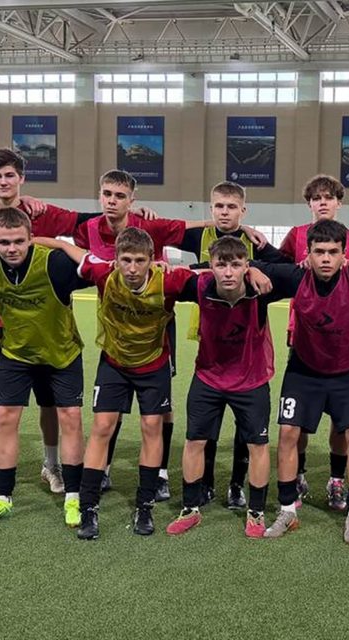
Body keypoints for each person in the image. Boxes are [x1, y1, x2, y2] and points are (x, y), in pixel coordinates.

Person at [35, 227, 196, 539]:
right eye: (126, 260)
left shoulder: (169, 281)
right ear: (116, 260)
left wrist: (252, 271)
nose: (132, 268)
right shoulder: (103, 273)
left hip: (154, 366)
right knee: (101, 427)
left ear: (152, 259)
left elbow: (209, 275)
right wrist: (30, 239)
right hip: (114, 365)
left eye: (140, 261)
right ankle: (89, 509)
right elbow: (64, 246)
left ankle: (145, 506)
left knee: (152, 427)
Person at [72, 169, 213, 501]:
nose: (112, 201)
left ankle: (159, 472)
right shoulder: (88, 229)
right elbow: (72, 253)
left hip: (157, 319)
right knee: (111, 407)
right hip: (118, 324)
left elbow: (190, 227)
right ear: (100, 195)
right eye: (107, 194)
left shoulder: (150, 224)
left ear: (132, 200)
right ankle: (103, 468)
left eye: (120, 196)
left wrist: (235, 228)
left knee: (160, 405)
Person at [251, 220, 349, 542]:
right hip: (303, 371)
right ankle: (287, 510)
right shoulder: (296, 276)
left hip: (346, 373)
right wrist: (250, 269)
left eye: (333, 252)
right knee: (288, 433)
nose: (326, 258)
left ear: (345, 255)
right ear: (308, 254)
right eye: (319, 252)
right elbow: (235, 261)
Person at [0, 208, 91, 528]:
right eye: (4, 242)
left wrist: (58, 243)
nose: (12, 249)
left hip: (61, 355)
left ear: (31, 238)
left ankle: (73, 497)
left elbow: (95, 264)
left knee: (71, 418)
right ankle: (2, 499)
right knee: (4, 418)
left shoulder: (55, 264)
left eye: (19, 241)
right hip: (17, 354)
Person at [177, 181, 289, 510]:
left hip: (248, 336)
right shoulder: (199, 236)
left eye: (231, 207)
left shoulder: (255, 243)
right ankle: (206, 481)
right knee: (206, 425)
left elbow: (285, 266)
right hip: (210, 325)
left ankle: (238, 484)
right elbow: (164, 232)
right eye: (218, 207)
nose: (224, 213)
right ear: (211, 208)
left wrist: (255, 267)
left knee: (247, 427)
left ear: (243, 210)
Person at [165, 236, 278, 538]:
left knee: (258, 445)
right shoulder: (199, 286)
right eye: (221, 265)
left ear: (246, 266)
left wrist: (256, 269)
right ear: (211, 266)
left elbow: (294, 267)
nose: (228, 272)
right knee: (194, 441)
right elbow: (165, 274)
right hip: (209, 378)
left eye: (236, 265)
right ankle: (190, 509)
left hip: (252, 380)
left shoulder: (261, 288)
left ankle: (256, 512)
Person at [279, 174, 349, 511]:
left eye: (328, 197)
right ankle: (298, 474)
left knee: (343, 421)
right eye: (317, 198)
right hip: (304, 330)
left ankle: (336, 480)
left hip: (343, 337)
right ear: (309, 204)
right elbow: (280, 266)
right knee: (298, 419)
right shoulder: (296, 234)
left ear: (339, 202)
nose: (323, 203)